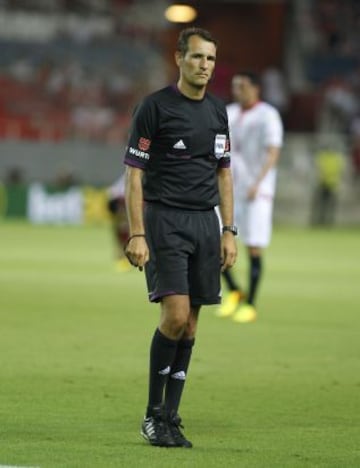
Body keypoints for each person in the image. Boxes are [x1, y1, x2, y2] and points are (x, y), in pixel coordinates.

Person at [123, 27, 237, 448]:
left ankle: (171, 417)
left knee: (189, 325)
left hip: (206, 224)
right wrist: (137, 232)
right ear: (179, 59)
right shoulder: (154, 108)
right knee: (174, 315)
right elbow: (134, 174)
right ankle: (153, 415)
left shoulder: (219, 112)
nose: (204, 65)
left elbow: (224, 172)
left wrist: (229, 229)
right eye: (196, 58)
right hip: (164, 220)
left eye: (210, 59)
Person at [215, 71, 283, 323]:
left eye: (242, 86)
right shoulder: (229, 112)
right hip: (231, 189)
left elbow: (273, 151)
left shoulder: (268, 114)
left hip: (257, 192)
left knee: (253, 247)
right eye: (234, 86)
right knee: (217, 242)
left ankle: (251, 303)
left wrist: (259, 182)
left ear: (256, 88)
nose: (237, 91)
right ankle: (234, 292)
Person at [310, 144, 344, 226]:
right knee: (323, 205)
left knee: (327, 205)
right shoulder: (335, 158)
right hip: (326, 184)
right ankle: (321, 222)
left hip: (330, 184)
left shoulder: (325, 157)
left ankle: (325, 222)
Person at [106, 173, 131, 272]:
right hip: (119, 199)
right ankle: (121, 254)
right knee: (121, 228)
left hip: (121, 199)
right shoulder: (129, 174)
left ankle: (123, 254)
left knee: (123, 228)